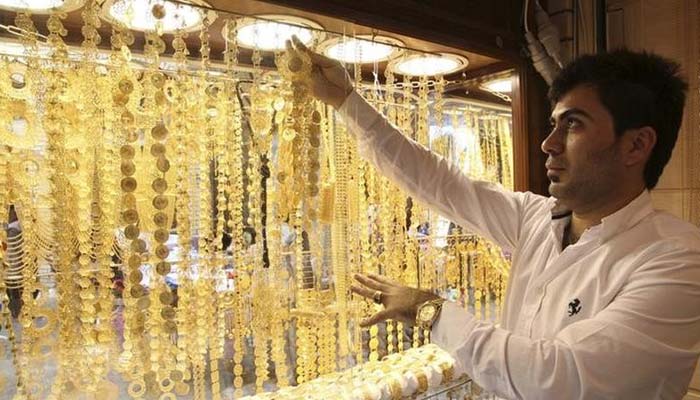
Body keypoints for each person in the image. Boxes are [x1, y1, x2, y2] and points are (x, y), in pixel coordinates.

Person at [286, 36, 700, 399]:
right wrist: (346, 100)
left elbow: (558, 379)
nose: (548, 144)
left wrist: (429, 310)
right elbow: (438, 181)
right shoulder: (535, 219)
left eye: (572, 125)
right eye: (553, 124)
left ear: (636, 146)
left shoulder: (675, 259)